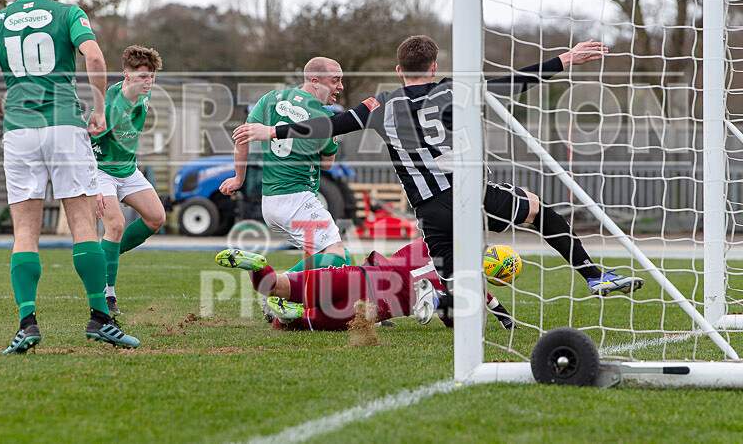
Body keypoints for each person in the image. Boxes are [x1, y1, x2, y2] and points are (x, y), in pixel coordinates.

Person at [232, 35, 643, 324]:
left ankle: (441, 296)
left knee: (454, 281)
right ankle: (593, 275)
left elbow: (332, 125)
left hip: (429, 210)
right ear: (433, 67)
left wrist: (274, 132)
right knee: (540, 211)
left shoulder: (380, 105)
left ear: (398, 70)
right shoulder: (455, 91)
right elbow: (515, 81)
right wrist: (566, 59)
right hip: (469, 196)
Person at [0, 0, 139, 352]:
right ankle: (100, 318)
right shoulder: (68, 13)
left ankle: (27, 323)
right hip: (64, 125)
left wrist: (6, 106)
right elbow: (94, 56)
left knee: (25, 231)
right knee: (83, 224)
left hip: (20, 133)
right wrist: (99, 110)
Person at [219, 57, 351, 272]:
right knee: (338, 258)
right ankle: (272, 283)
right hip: (297, 197)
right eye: (335, 81)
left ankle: (302, 302)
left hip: (270, 201)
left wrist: (238, 178)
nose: (340, 87)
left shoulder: (272, 98)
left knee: (319, 255)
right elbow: (327, 164)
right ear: (315, 81)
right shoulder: (324, 118)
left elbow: (242, 136)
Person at [215, 238, 514, 331]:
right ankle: (288, 315)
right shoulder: (464, 280)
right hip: (378, 304)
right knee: (287, 326)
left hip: (361, 274)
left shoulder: (428, 240)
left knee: (274, 284)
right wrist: (504, 316)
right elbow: (454, 321)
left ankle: (259, 266)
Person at [92, 46, 166, 315]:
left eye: (152, 77)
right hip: (101, 171)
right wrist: (93, 186)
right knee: (116, 225)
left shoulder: (143, 95)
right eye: (143, 76)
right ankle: (107, 295)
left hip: (128, 170)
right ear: (126, 75)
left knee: (156, 218)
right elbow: (85, 142)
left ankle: (103, 257)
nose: (148, 82)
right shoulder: (112, 105)